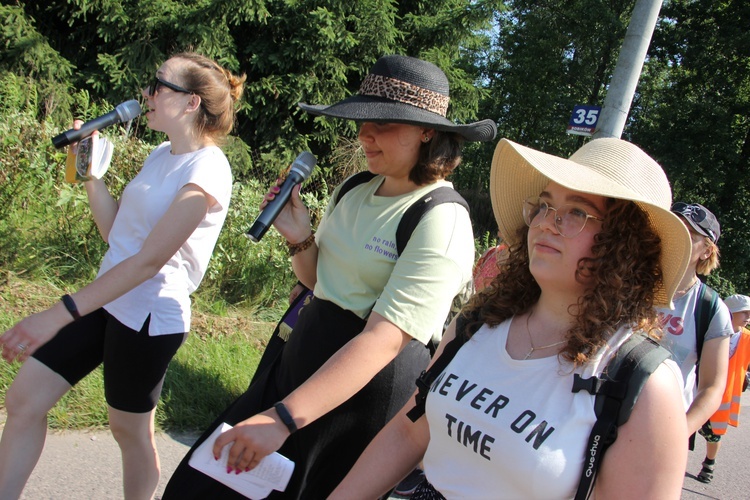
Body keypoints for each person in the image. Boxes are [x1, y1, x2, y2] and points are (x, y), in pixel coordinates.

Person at [162, 54, 497, 499]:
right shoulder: (357, 187)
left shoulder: (441, 218)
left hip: (363, 396)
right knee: (200, 484)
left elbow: (384, 340)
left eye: (383, 123)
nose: (365, 134)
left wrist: (281, 419)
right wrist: (299, 238)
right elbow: (320, 282)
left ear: (427, 132)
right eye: (361, 120)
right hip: (300, 363)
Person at [331, 137, 691, 499]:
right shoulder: (479, 322)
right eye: (545, 206)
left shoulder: (640, 383)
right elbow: (409, 431)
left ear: (626, 245)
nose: (548, 223)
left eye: (578, 213)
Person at [0, 52, 245, 499]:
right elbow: (119, 236)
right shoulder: (161, 153)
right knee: (23, 401)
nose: (147, 94)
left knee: (128, 432)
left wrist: (57, 313)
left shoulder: (207, 169)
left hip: (148, 317)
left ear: (191, 102)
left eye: (159, 85)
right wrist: (92, 174)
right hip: (106, 299)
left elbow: (149, 262)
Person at [655, 202, 732, 442]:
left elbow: (711, 387)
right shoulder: (627, 285)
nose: (676, 237)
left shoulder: (711, 308)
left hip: (662, 430)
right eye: (673, 228)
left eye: (689, 234)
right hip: (599, 416)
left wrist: (677, 436)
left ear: (707, 251)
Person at [696, 294, 750, 483]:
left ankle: (709, 464)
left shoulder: (747, 338)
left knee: (714, 433)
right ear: (730, 312)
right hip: (698, 388)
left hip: (724, 396)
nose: (748, 317)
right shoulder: (710, 330)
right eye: (744, 313)